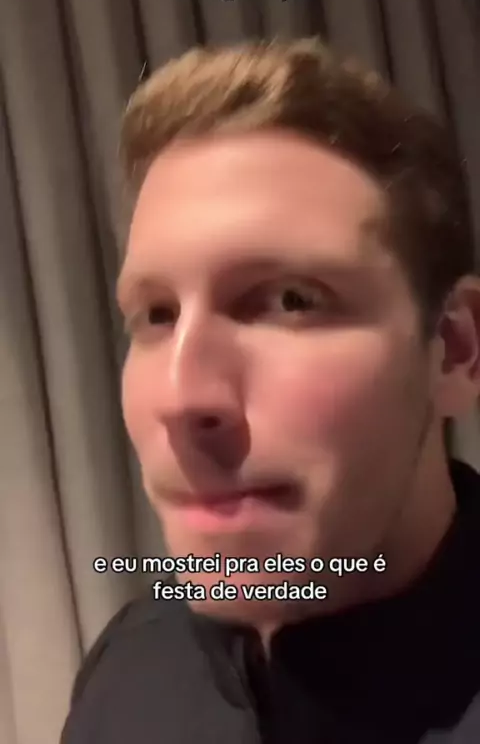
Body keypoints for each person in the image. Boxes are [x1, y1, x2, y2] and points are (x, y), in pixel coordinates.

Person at [61, 38, 480, 744]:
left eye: (291, 299)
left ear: (456, 351)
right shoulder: (130, 668)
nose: (181, 397)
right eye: (156, 314)